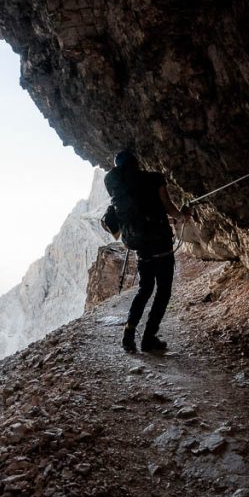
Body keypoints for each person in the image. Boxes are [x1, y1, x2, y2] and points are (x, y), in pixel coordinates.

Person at [103, 149, 187, 353]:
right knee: (163, 290)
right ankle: (149, 338)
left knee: (145, 289)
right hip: (161, 244)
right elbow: (168, 207)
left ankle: (128, 335)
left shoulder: (119, 191)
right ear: (136, 163)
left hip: (141, 247)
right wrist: (182, 215)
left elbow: (119, 226)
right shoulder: (154, 179)